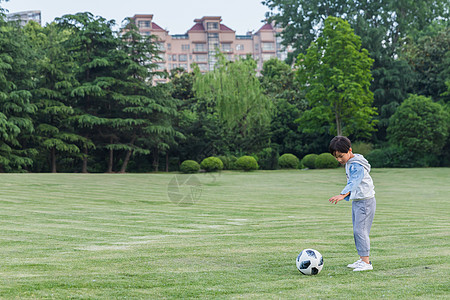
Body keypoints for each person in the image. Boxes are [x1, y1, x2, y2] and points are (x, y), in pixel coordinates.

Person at [328, 136, 376, 271]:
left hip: (365, 202)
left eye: (340, 156)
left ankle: (366, 263)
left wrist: (343, 194)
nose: (338, 160)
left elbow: (354, 181)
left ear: (349, 150)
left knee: (360, 231)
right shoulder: (352, 161)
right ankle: (362, 259)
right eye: (336, 157)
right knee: (358, 231)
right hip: (358, 201)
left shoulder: (356, 164)